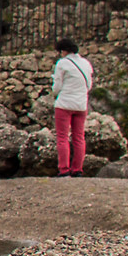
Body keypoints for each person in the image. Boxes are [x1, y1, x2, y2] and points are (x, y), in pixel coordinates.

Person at [51, 37, 94, 177]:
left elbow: (57, 86)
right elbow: (89, 85)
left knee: (62, 137)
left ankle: (64, 169)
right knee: (79, 138)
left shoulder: (62, 63)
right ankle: (77, 169)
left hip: (64, 104)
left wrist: (55, 93)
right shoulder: (86, 63)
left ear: (63, 50)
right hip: (81, 105)